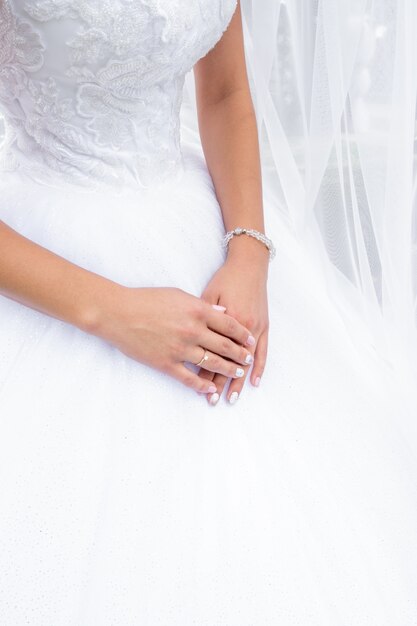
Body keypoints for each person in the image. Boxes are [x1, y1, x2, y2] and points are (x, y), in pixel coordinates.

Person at [0, 1, 416, 624]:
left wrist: (249, 251)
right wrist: (112, 312)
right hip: (45, 252)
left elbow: (225, 92)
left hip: (200, 233)